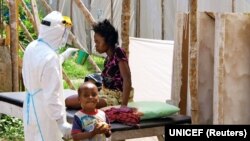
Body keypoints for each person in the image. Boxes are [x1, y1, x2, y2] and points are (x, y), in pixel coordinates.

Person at [22, 11, 78, 141]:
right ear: (57, 33)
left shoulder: (33, 46)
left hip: (31, 107)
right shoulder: (50, 58)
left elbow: (39, 67)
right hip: (45, 113)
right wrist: (61, 123)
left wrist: (64, 56)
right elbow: (52, 95)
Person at [65, 19, 134, 109]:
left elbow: (127, 78)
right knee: (69, 100)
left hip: (117, 98)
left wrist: (124, 106)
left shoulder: (118, 52)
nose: (96, 45)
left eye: (97, 42)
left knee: (78, 102)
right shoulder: (108, 59)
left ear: (108, 41)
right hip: (104, 93)